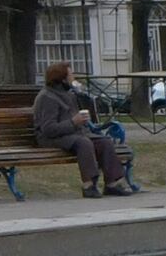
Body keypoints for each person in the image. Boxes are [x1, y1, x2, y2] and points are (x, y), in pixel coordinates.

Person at [31, 61, 134, 196]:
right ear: (61, 79)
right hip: (50, 138)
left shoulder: (68, 95)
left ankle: (112, 182)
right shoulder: (46, 97)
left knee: (104, 142)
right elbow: (48, 129)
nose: (73, 79)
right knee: (84, 143)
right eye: (70, 76)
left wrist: (81, 103)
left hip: (72, 134)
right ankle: (88, 184)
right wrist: (74, 122)